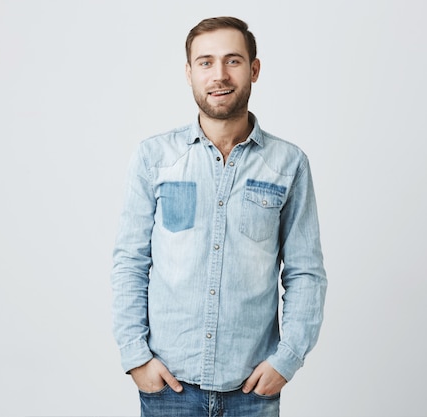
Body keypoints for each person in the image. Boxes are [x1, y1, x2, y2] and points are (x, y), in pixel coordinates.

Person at [110, 16, 327, 417]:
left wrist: (288, 358)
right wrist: (136, 357)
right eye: (206, 62)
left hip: (251, 391)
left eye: (233, 60)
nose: (219, 75)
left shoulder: (289, 164)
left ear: (254, 69)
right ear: (189, 72)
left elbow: (305, 272)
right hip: (169, 389)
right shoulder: (154, 158)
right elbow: (130, 263)